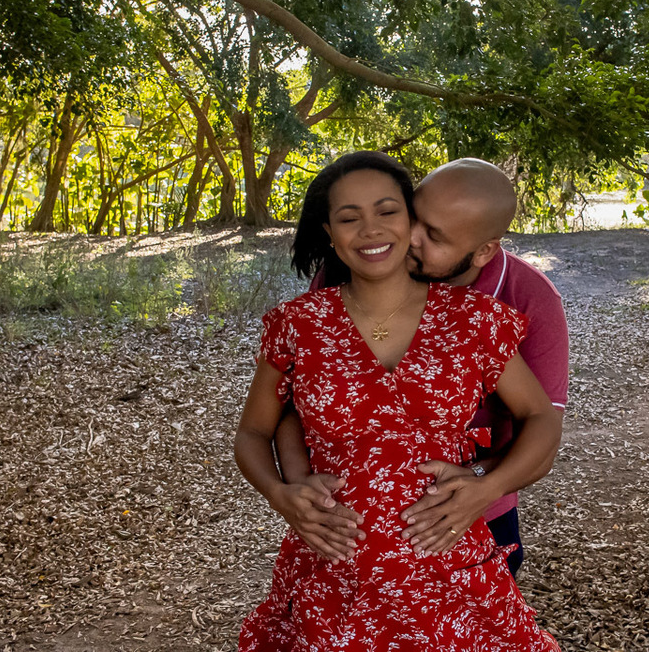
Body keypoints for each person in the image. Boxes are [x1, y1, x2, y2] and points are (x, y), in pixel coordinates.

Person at [234, 151, 561, 651]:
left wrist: (483, 486)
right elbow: (271, 422)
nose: (384, 233)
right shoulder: (302, 320)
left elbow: (541, 416)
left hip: (447, 566)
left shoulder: (484, 317)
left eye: (390, 213)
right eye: (350, 217)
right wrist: (286, 491)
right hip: (335, 568)